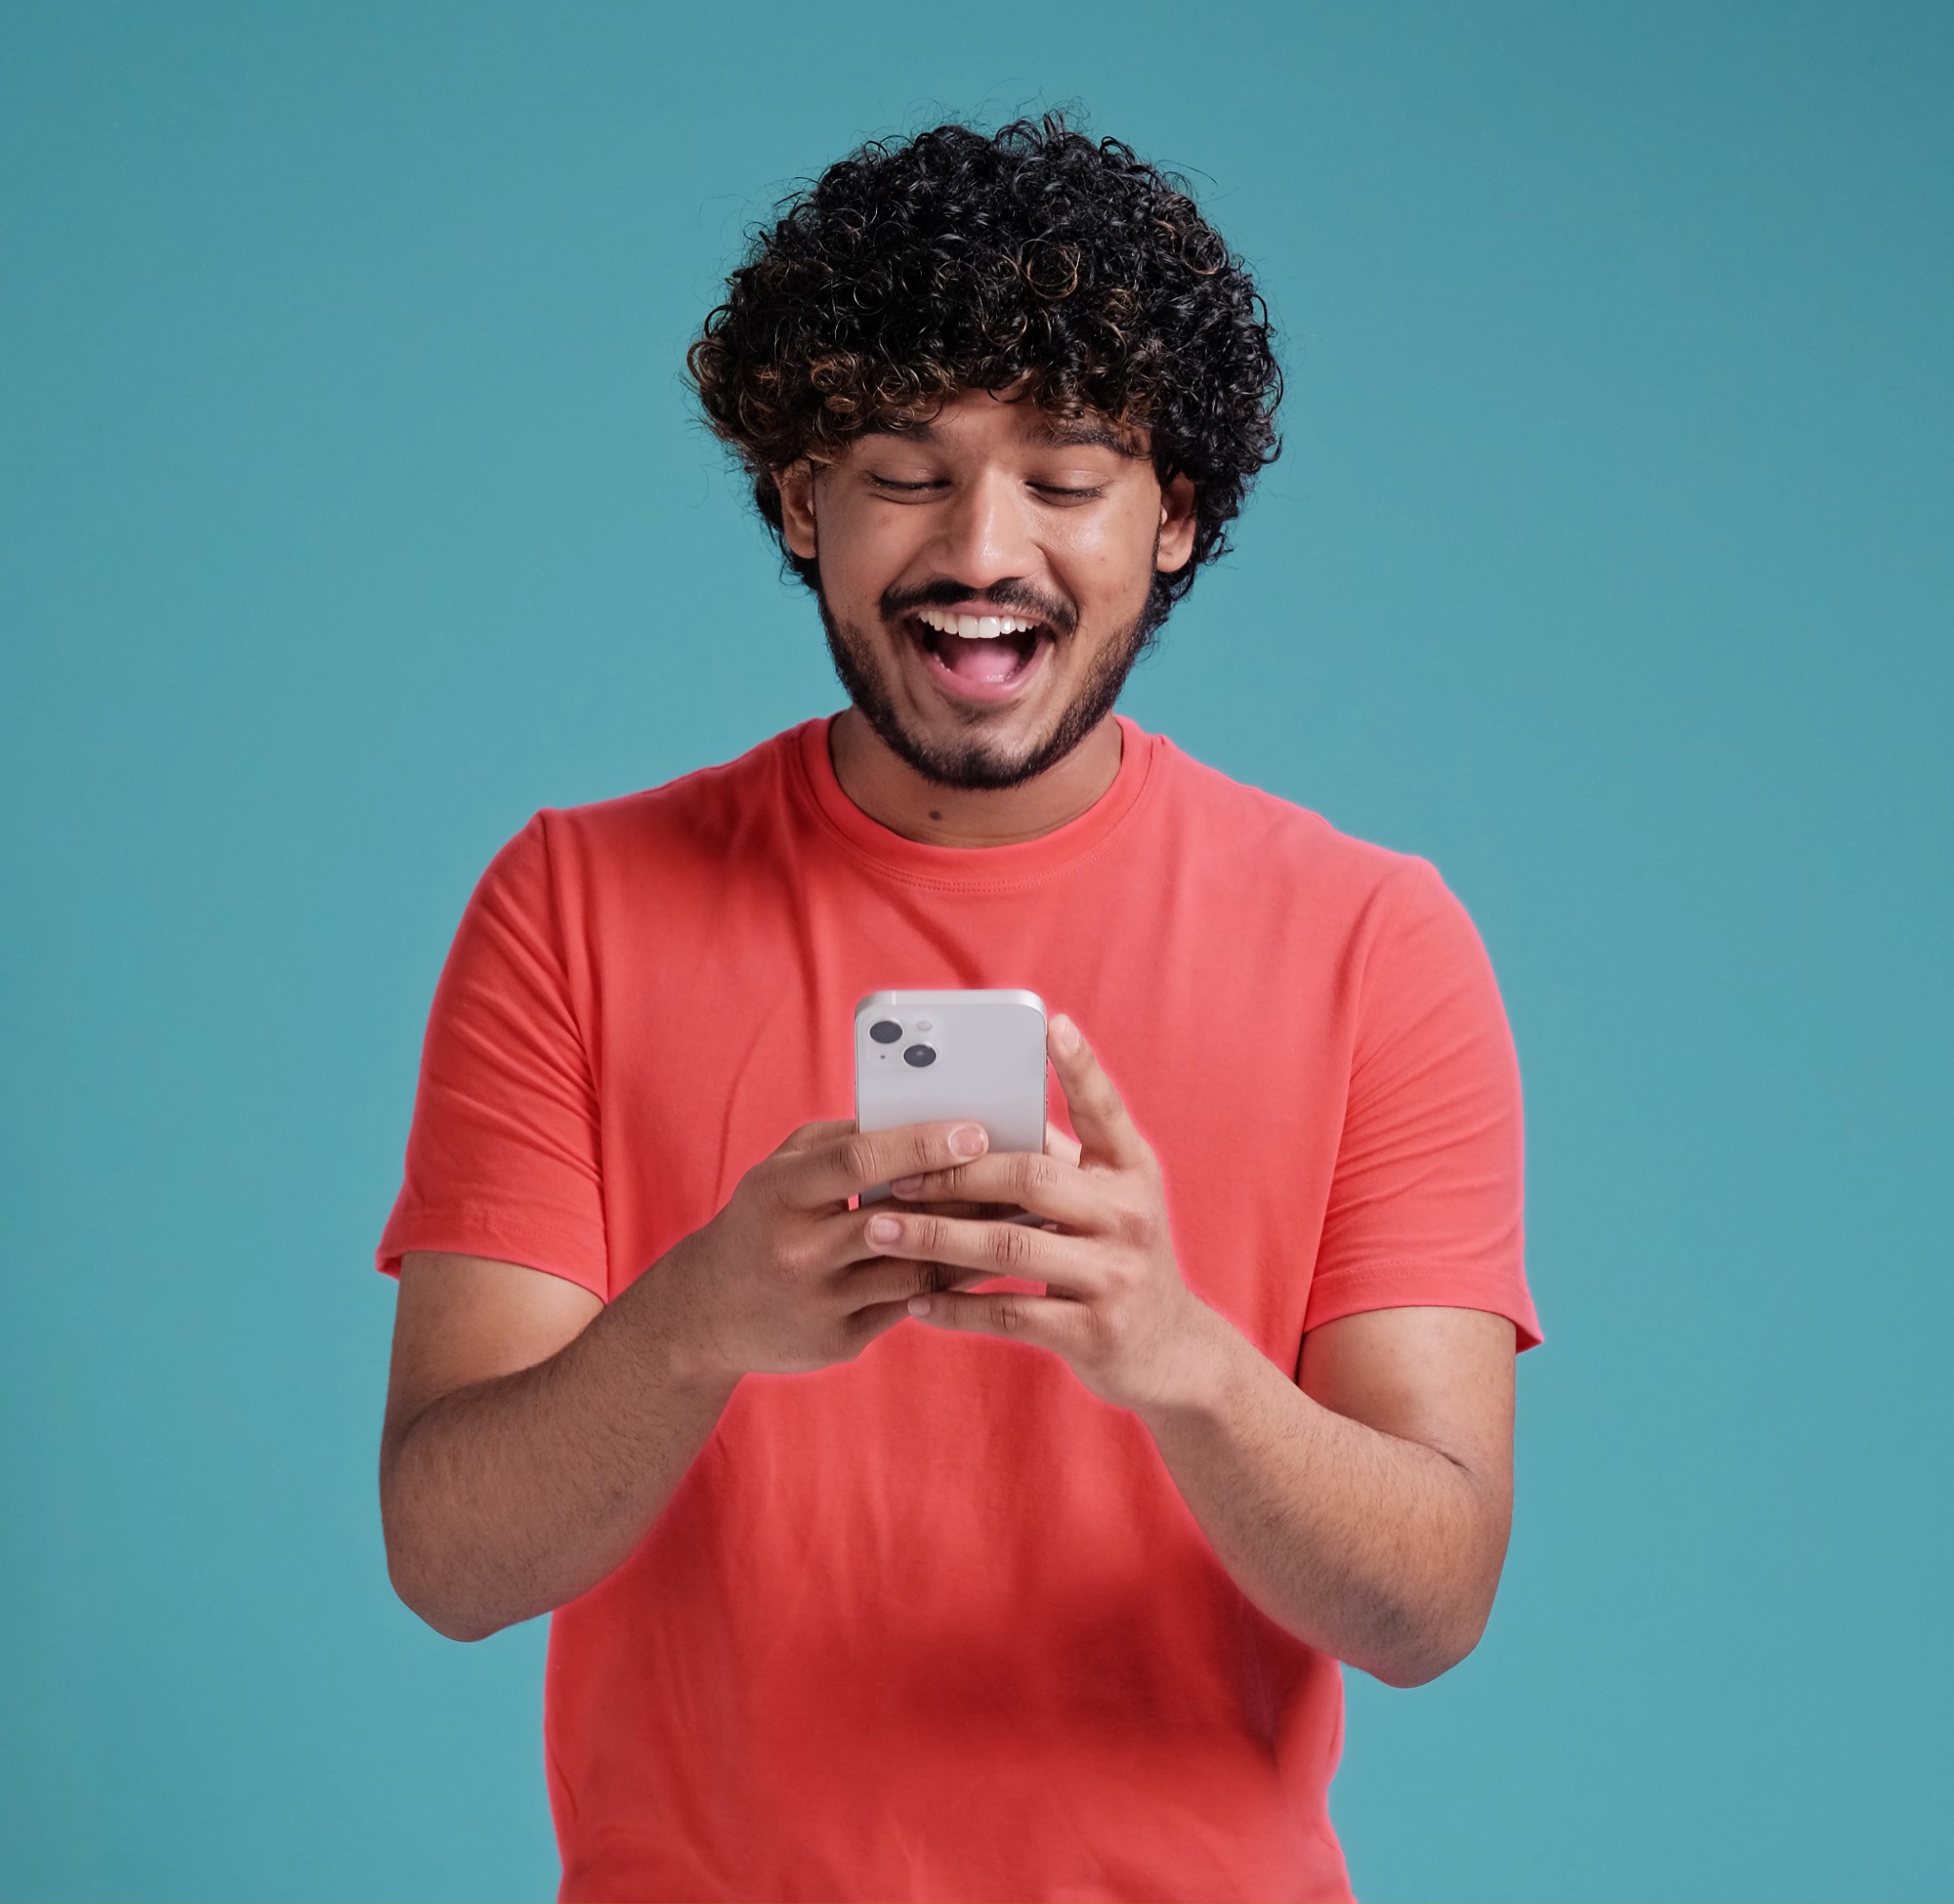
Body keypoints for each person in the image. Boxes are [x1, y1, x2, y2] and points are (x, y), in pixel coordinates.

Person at [375, 116, 1539, 1903]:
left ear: (1179, 517)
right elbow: (451, 1561)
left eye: (1067, 478)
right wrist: (696, 1319)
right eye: (905, 471)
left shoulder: (1376, 942)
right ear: (798, 504)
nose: (981, 549)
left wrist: (1179, 1360)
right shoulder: (572, 907)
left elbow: (1431, 1599)